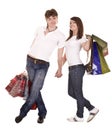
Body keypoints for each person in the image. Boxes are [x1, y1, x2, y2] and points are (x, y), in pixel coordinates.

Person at [15, 9, 65, 124]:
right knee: (35, 89)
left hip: (43, 65)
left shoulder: (60, 36)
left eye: (54, 18)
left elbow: (59, 55)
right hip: (30, 61)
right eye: (50, 18)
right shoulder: (39, 29)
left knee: (35, 90)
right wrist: (28, 57)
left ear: (57, 18)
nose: (52, 20)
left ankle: (22, 113)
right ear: (46, 20)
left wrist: (60, 69)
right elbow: (34, 42)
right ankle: (42, 113)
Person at [62, 16, 99, 122]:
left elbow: (86, 48)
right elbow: (65, 56)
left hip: (77, 68)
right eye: (70, 23)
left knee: (78, 93)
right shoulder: (69, 39)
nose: (71, 24)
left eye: (74, 22)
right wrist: (59, 68)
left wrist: (90, 39)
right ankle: (92, 108)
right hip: (71, 69)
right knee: (71, 92)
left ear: (79, 24)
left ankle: (79, 116)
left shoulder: (81, 37)